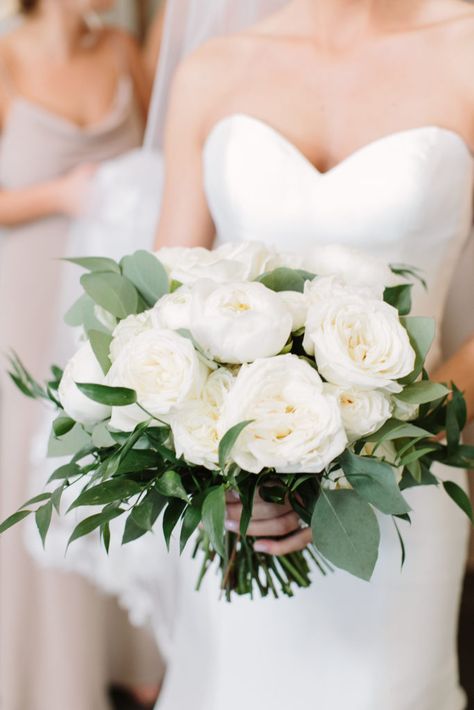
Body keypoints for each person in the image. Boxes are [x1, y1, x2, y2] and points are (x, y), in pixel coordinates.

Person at [150, 0, 474, 708]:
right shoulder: (210, 72)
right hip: (245, 511)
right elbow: (161, 306)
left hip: (405, 494)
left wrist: (376, 448)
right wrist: (217, 469)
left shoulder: (465, 50)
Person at [0, 1, 162, 709]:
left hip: (110, 290)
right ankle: (41, 676)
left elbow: (162, 161)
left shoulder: (125, 49)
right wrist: (63, 192)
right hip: (27, 289)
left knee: (112, 453)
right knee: (27, 468)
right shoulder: (4, 59)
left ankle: (126, 652)